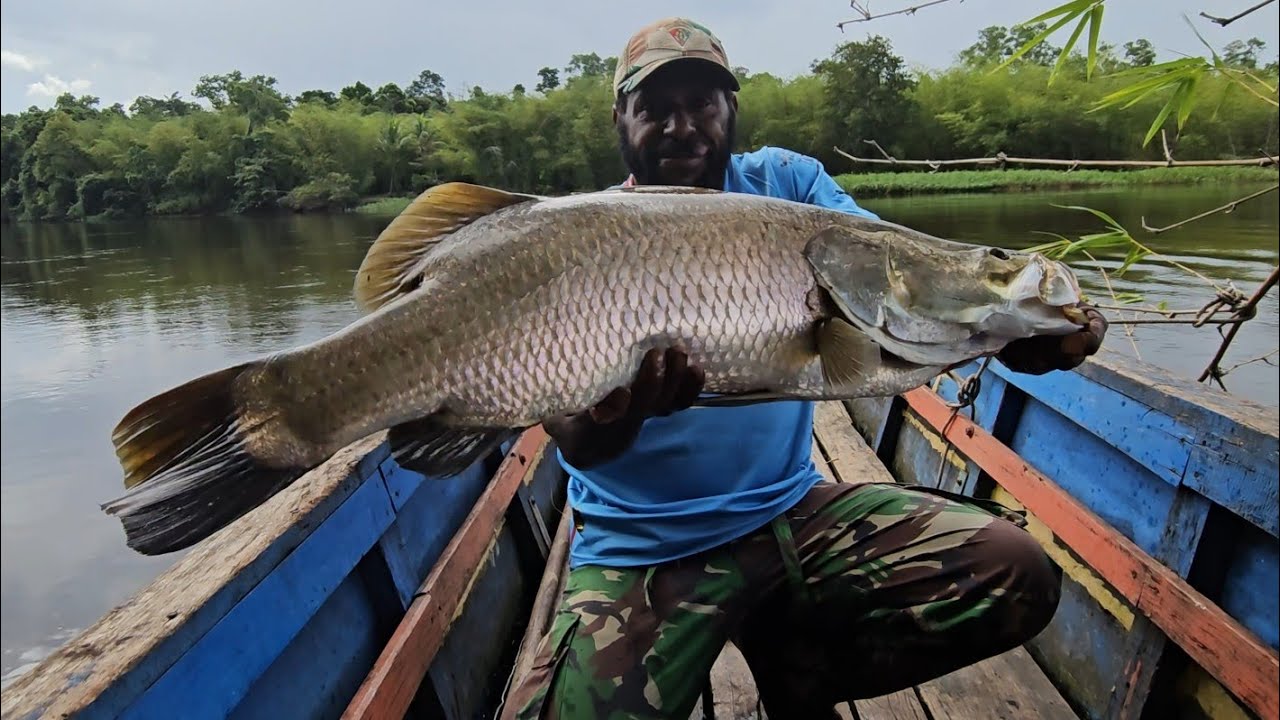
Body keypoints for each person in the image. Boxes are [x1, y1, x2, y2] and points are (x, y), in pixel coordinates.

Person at [503, 17, 1108, 720]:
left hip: (787, 513)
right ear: (620, 119)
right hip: (644, 547)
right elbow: (577, 443)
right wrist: (626, 412)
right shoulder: (586, 239)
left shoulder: (789, 186)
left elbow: (891, 275)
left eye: (701, 103)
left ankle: (800, 669)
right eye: (656, 108)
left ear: (731, 109)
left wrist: (1002, 333)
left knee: (1014, 572)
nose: (682, 126)